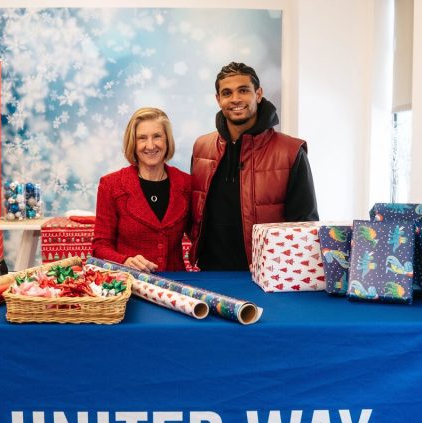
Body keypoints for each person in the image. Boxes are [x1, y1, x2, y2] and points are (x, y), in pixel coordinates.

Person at [189, 62, 319, 270]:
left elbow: (305, 225)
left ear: (258, 94)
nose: (236, 99)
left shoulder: (291, 151)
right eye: (227, 93)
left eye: (243, 90)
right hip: (210, 273)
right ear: (218, 99)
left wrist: (279, 267)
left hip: (268, 275)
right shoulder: (201, 148)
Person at [92, 107, 192, 272]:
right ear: (133, 142)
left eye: (157, 136)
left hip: (177, 286)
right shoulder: (111, 185)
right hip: (128, 284)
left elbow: (201, 237)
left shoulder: (187, 183)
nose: (150, 145)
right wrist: (125, 261)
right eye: (142, 138)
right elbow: (99, 247)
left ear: (167, 140)